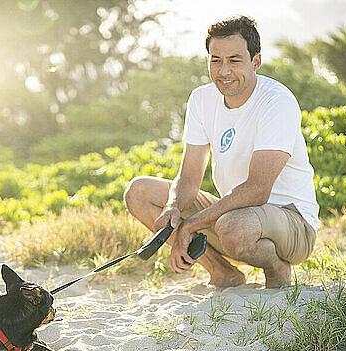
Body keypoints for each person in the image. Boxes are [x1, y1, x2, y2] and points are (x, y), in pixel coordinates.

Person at [123, 15, 320, 288]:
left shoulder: (277, 101)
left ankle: (277, 268)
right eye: (216, 60)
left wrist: (191, 225)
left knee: (231, 226)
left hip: (291, 222)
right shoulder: (202, 99)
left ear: (256, 62)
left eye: (234, 60)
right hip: (234, 214)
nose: (224, 71)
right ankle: (222, 272)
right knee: (138, 192)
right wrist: (173, 208)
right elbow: (190, 176)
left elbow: (257, 190)